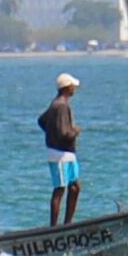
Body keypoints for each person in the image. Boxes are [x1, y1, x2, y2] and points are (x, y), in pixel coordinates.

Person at [37, 73, 84, 227]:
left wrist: (51, 133)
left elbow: (41, 121)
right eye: (72, 87)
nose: (74, 90)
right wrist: (75, 131)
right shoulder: (61, 106)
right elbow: (65, 133)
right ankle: (54, 227)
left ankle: (67, 223)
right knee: (60, 189)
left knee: (75, 187)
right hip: (60, 154)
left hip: (67, 153)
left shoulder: (57, 104)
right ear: (67, 87)